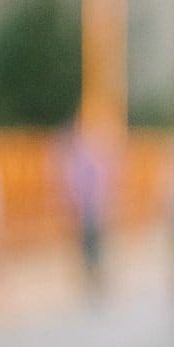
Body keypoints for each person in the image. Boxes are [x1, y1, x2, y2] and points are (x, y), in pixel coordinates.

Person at [57, 120, 113, 305]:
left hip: (92, 213)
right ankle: (91, 284)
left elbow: (97, 187)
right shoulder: (74, 161)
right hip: (82, 212)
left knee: (93, 250)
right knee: (87, 251)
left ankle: (97, 284)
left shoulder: (87, 160)